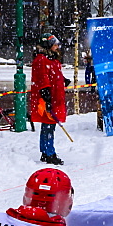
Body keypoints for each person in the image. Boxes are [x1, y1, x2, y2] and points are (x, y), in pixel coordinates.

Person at [31, 33, 68, 165]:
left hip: (54, 97)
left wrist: (63, 80)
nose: (57, 46)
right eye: (55, 44)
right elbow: (43, 79)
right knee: (48, 126)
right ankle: (49, 152)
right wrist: (47, 97)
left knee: (49, 126)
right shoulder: (42, 60)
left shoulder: (52, 59)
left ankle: (46, 151)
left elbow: (53, 74)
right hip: (48, 98)